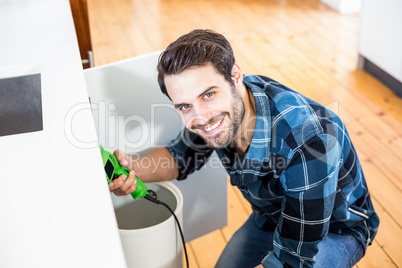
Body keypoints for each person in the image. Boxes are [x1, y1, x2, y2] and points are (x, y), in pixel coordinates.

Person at [109, 29, 380, 268]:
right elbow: (180, 157)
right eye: (185, 106)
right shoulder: (220, 111)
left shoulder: (308, 142)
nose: (201, 117)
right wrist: (133, 168)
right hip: (272, 216)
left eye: (208, 94)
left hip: (335, 229)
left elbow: (292, 257)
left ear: (235, 76)